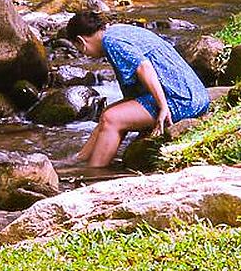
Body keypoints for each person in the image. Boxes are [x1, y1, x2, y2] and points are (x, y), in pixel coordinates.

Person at [65, 11, 210, 167]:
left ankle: (92, 173)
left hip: (182, 100)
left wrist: (163, 107)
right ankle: (81, 159)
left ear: (81, 41)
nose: (83, 55)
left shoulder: (111, 42)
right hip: (192, 93)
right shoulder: (115, 31)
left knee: (112, 119)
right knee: (107, 115)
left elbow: (144, 67)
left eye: (79, 49)